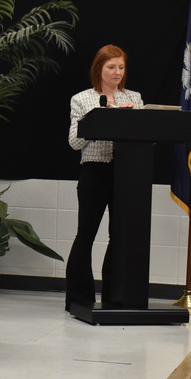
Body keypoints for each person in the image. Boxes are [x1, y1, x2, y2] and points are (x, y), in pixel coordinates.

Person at [66, 44, 144, 312]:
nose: (117, 72)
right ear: (99, 69)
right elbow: (74, 142)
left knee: (120, 236)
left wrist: (133, 119)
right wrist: (97, 119)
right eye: (111, 67)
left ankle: (116, 296)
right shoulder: (82, 99)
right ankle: (79, 297)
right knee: (85, 234)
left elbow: (148, 137)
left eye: (121, 67)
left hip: (127, 174)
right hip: (95, 171)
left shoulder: (134, 98)